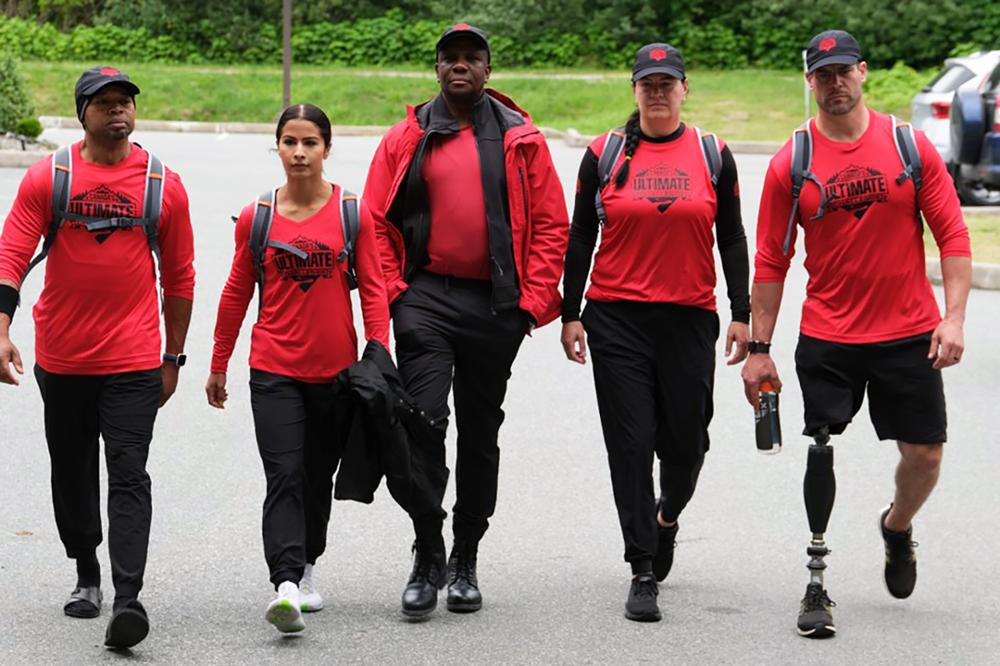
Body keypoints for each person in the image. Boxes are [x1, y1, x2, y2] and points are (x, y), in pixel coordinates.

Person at [742, 30, 972, 639]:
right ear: (810, 81)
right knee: (821, 445)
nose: (835, 82)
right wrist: (760, 350)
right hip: (831, 334)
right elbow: (770, 260)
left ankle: (896, 528)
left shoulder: (906, 145)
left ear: (863, 72)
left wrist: (952, 316)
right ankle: (816, 580)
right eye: (823, 74)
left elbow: (952, 236)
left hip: (907, 332)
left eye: (844, 71)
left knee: (924, 456)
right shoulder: (793, 161)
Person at [363, 23, 568, 617]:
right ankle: (427, 552)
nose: (460, 65)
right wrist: (397, 293)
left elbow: (552, 225)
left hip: (495, 306)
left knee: (480, 433)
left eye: (471, 57)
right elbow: (376, 220)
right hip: (425, 299)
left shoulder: (519, 139)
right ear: (436, 69)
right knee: (423, 423)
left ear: (487, 68)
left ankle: (466, 558)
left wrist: (531, 305)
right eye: (449, 58)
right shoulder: (409, 135)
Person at [0, 66, 195, 649]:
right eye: (104, 102)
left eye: (125, 102)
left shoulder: (163, 183)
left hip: (134, 357)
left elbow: (181, 278)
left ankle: (128, 597)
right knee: (72, 467)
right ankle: (87, 568)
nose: (118, 111)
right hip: (62, 358)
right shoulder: (50, 177)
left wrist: (174, 356)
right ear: (82, 111)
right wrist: (2, 327)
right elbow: (11, 255)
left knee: (129, 473)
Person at [561, 43, 750, 622]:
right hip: (616, 317)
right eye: (649, 83)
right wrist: (570, 313)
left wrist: (742, 313)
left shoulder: (713, 154)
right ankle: (642, 566)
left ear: (684, 88)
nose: (659, 91)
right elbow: (578, 241)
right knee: (631, 445)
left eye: (668, 82)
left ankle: (666, 518)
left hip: (690, 318)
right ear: (635, 89)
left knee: (687, 444)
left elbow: (734, 239)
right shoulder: (604, 154)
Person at [206, 104, 390, 634]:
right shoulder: (258, 215)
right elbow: (236, 292)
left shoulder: (353, 211)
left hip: (334, 374)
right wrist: (219, 362)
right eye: (289, 142)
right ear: (278, 147)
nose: (299, 152)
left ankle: (308, 565)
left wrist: (377, 353)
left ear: (327, 149)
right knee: (283, 473)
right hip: (273, 370)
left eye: (310, 142)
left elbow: (374, 291)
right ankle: (285, 583)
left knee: (315, 476)